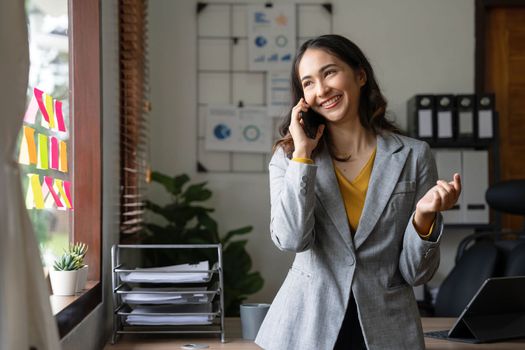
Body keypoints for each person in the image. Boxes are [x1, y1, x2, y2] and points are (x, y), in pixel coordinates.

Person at [254, 34, 461, 350]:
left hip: (387, 330)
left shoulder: (413, 155)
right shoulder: (289, 157)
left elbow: (416, 273)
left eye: (329, 72)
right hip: (307, 330)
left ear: (360, 75)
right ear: (302, 98)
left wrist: (424, 216)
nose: (321, 90)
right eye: (308, 83)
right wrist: (303, 156)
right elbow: (293, 239)